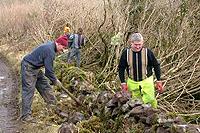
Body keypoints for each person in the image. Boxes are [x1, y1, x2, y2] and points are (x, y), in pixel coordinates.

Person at [20, 35, 68, 122]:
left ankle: (53, 105)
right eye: (63, 47)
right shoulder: (50, 51)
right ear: (58, 43)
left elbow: (48, 70)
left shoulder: (51, 47)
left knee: (45, 85)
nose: (63, 50)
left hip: (35, 67)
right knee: (28, 90)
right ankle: (26, 116)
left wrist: (54, 80)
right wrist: (55, 81)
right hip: (28, 67)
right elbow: (49, 71)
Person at [118, 32, 164, 108]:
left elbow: (156, 65)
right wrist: (123, 82)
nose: (138, 47)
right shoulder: (125, 53)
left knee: (150, 100)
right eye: (136, 45)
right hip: (132, 82)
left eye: (140, 44)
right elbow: (121, 68)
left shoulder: (148, 52)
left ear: (142, 42)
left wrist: (159, 80)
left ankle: (153, 116)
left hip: (147, 81)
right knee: (134, 103)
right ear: (131, 43)